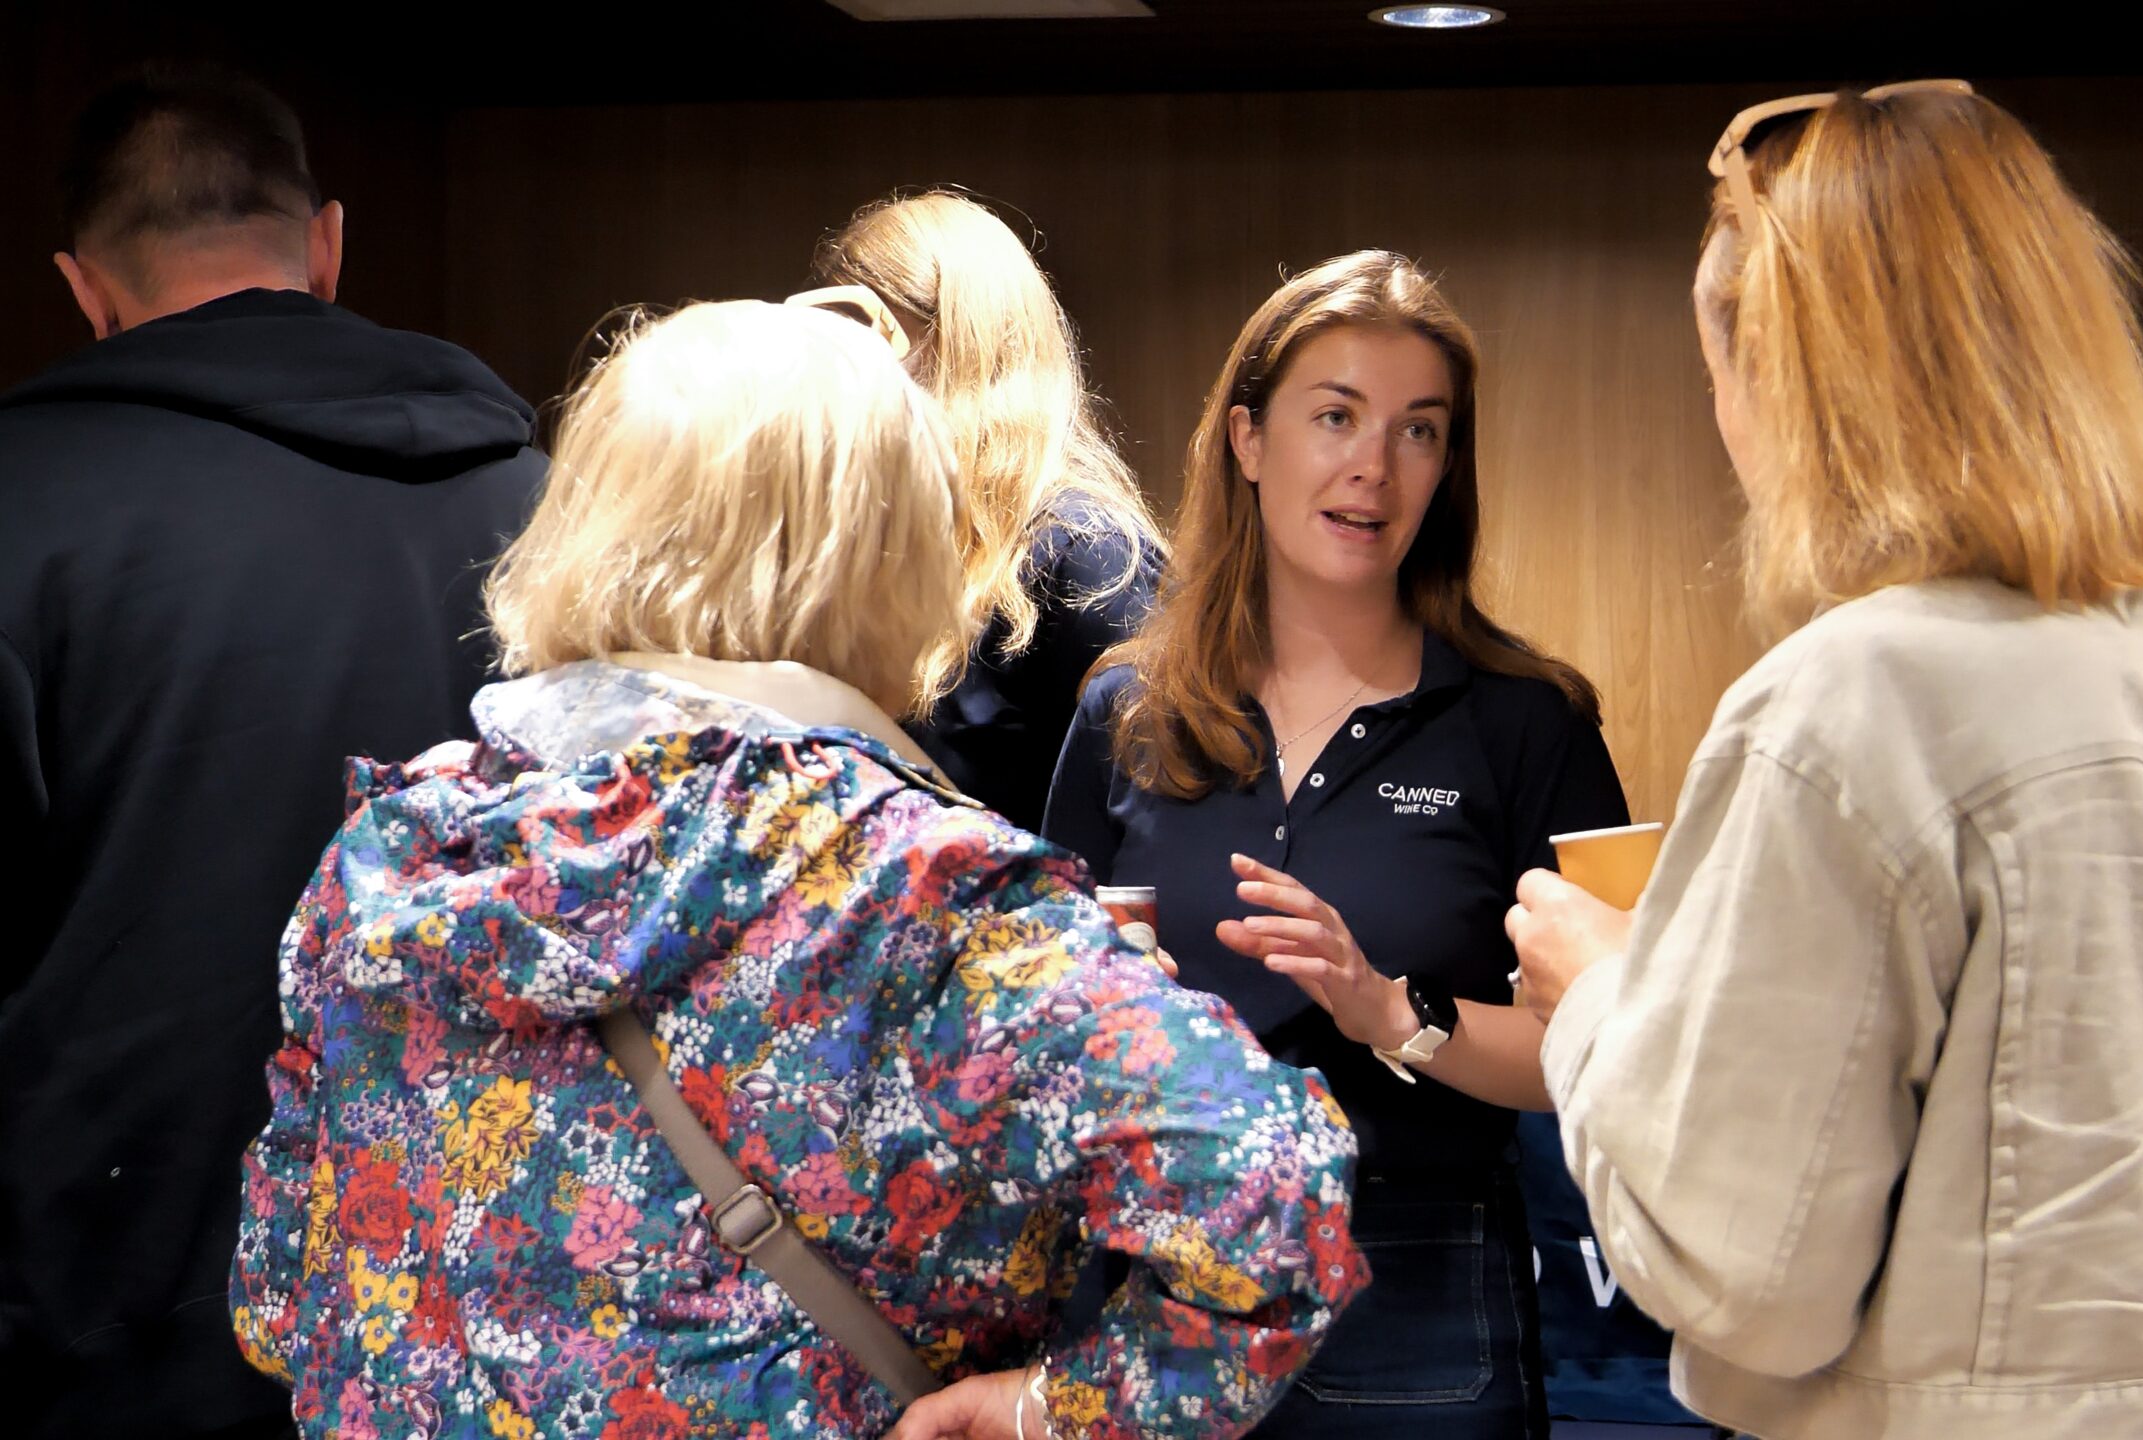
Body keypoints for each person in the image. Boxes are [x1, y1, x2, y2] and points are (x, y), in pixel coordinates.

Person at [228, 297, 1366, 1440]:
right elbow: (1271, 1197)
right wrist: (1048, 1413)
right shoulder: (926, 891)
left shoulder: (399, 849)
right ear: (899, 547)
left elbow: (280, 1303)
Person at [1505, 81, 2143, 1440]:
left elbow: (1750, 1284)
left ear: (1786, 378)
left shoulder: (1855, 706)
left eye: (1721, 377)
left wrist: (1600, 1006)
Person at [0, 64, 542, 1438]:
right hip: (488, 1272)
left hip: (111, 1300)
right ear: (327, 243)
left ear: (86, 287)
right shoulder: (541, 500)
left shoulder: (21, 503)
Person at [1045, 250, 1626, 1440]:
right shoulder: (1127, 711)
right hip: (1160, 1272)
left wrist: (1387, 1010)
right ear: (1248, 441)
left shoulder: (1526, 722)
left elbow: (1612, 1049)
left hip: (1417, 1279)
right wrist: (1110, 1004)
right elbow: (1038, 1016)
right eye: (1336, 417)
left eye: (1420, 430)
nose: (1374, 466)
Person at [810, 191, 1163, 830]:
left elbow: (1158, 816)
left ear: (958, 346)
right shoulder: (873, 545)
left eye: (864, 340)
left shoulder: (1084, 552)